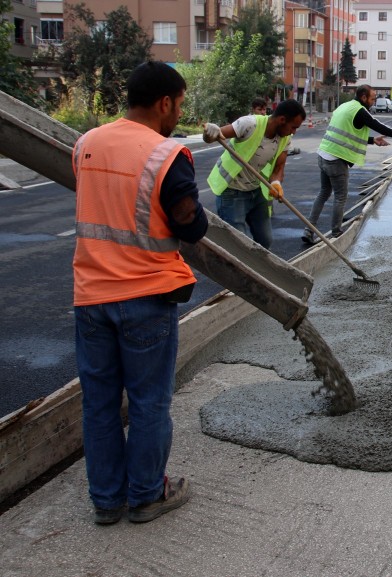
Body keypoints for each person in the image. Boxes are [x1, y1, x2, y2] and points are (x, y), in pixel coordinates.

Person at [72, 61, 209, 525]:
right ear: (165, 103)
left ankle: (106, 501)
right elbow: (190, 225)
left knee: (100, 403)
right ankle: (148, 494)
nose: (178, 114)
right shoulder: (166, 155)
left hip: (91, 296)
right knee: (149, 402)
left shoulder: (85, 144)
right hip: (146, 297)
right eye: (180, 105)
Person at [301, 84, 392, 243]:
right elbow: (377, 125)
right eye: (372, 99)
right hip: (336, 159)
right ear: (363, 97)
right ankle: (337, 233)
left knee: (324, 192)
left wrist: (373, 140)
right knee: (340, 197)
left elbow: (347, 135)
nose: (373, 102)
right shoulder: (360, 110)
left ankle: (308, 230)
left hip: (323, 155)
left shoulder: (344, 107)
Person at [203, 99, 306, 250]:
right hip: (232, 191)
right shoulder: (250, 124)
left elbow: (279, 167)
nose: (294, 132)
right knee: (239, 245)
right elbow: (214, 136)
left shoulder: (285, 139)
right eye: (293, 127)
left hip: (256, 191)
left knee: (265, 240)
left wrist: (276, 183)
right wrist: (209, 132)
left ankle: (258, 269)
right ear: (282, 120)